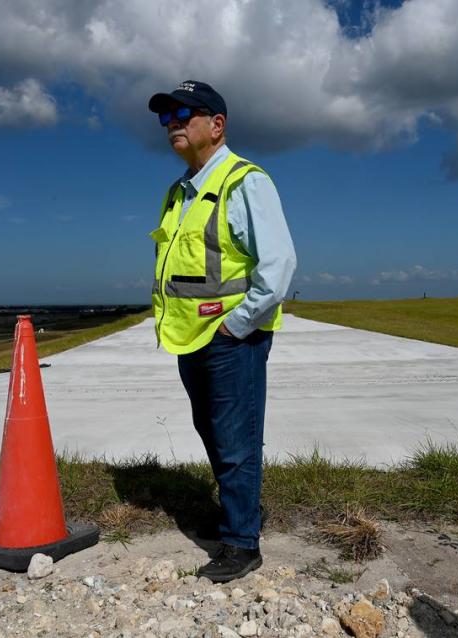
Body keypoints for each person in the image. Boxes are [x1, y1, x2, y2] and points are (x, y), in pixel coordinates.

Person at [147, 80, 297, 582]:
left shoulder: (244, 181)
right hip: (189, 336)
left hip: (233, 338)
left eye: (184, 112)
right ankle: (239, 514)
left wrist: (236, 324)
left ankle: (241, 543)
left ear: (216, 125)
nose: (173, 122)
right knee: (211, 431)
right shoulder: (179, 192)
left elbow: (277, 267)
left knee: (236, 440)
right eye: (167, 116)